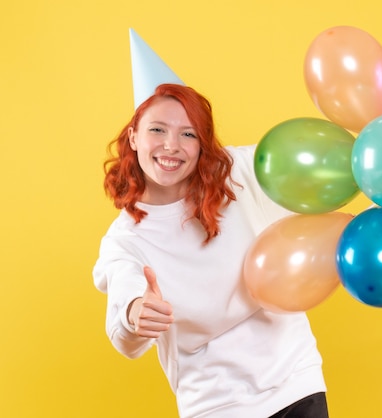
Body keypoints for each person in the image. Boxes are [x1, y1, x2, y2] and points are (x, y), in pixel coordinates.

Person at [93, 83, 330, 418]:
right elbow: (124, 317)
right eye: (157, 129)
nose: (170, 146)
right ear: (133, 137)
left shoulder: (237, 173)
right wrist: (136, 314)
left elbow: (302, 168)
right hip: (215, 404)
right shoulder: (125, 240)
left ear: (202, 144)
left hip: (295, 381)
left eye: (188, 134)